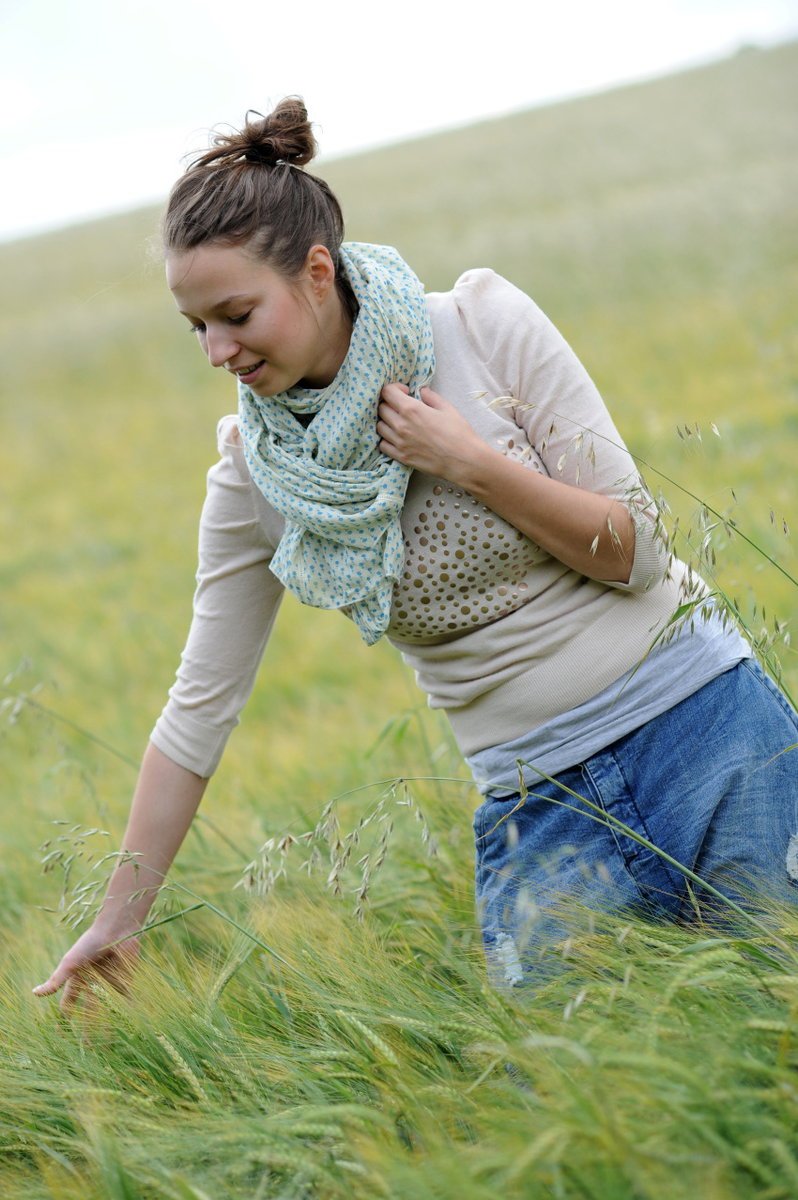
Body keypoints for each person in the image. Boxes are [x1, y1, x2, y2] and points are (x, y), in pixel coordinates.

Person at [33, 98, 798, 1008]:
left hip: (707, 726)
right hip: (536, 809)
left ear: (317, 273)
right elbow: (197, 714)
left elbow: (630, 550)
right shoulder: (255, 478)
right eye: (195, 325)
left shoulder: (481, 327)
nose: (216, 350)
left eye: (235, 314)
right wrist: (119, 918)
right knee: (568, 1099)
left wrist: (469, 463)